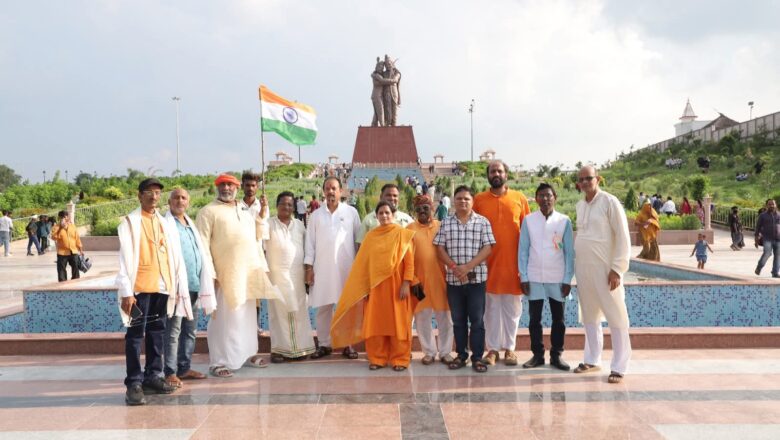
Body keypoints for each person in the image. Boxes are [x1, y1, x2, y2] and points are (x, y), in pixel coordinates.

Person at [196, 173, 282, 378]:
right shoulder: (207, 212)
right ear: (217, 187)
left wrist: (261, 215)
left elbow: (257, 235)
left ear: (237, 188)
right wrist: (211, 273)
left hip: (247, 273)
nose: (227, 188)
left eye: (230, 185)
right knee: (224, 320)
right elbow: (202, 245)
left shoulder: (244, 210)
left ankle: (248, 355)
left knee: (246, 318)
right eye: (223, 185)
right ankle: (218, 362)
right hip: (224, 275)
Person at [116, 178, 192, 406]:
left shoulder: (165, 223)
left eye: (157, 192)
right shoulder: (130, 223)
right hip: (138, 289)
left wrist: (176, 286)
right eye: (148, 192)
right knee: (135, 336)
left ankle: (153, 376)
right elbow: (123, 260)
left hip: (161, 287)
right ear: (139, 195)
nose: (153, 196)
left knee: (157, 333)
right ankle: (134, 383)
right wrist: (126, 291)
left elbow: (174, 257)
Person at [331, 201, 416, 371]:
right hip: (375, 289)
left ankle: (400, 359)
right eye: (381, 213)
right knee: (375, 324)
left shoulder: (403, 234)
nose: (384, 216)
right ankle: (377, 358)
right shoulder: (370, 237)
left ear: (393, 214)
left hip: (397, 286)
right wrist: (364, 288)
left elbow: (409, 262)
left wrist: (406, 283)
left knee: (398, 324)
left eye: (387, 213)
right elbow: (362, 264)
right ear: (376, 216)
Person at [572, 166, 632, 384]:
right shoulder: (580, 205)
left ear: (597, 179)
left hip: (607, 270)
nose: (586, 182)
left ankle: (619, 366)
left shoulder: (610, 202)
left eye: (589, 178)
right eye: (581, 179)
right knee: (589, 315)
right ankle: (592, 359)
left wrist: (617, 268)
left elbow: (623, 236)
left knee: (616, 317)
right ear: (578, 184)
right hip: (584, 270)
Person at [473, 160, 530, 366]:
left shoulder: (519, 198)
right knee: (491, 311)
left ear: (506, 174)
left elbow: (527, 231)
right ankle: (493, 350)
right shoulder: (479, 200)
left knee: (513, 311)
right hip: (487, 265)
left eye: (500, 170)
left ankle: (510, 349)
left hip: (513, 265)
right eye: (492, 171)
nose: (496, 173)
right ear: (488, 175)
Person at [433, 185, 495, 373]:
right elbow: (439, 248)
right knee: (458, 320)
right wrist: (454, 267)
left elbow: (488, 247)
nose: (462, 202)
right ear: (453, 201)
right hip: (454, 281)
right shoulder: (446, 222)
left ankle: (477, 357)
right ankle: (461, 355)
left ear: (472, 201)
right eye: (459, 198)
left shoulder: (483, 222)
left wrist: (467, 267)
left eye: (466, 199)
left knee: (477, 320)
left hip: (476, 280)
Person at [163, 188, 216, 388]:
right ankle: (170, 371)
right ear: (169, 202)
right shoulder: (166, 224)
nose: (179, 201)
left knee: (189, 330)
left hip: (193, 285)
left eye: (183, 198)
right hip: (177, 287)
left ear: (188, 202)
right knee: (173, 330)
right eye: (176, 197)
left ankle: (184, 367)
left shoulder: (190, 224)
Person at [518, 183, 574, 370]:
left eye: (548, 195)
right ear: (536, 198)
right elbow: (523, 250)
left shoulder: (564, 221)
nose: (545, 199)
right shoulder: (529, 220)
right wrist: (523, 276)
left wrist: (567, 279)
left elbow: (569, 253)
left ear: (555, 197)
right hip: (534, 276)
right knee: (535, 319)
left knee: (559, 319)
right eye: (541, 195)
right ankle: (538, 355)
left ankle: (556, 355)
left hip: (557, 277)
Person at [305, 177, 362, 360]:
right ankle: (324, 344)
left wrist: (359, 268)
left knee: (346, 308)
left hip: (347, 268)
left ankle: (348, 344)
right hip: (322, 268)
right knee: (323, 307)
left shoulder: (351, 212)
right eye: (328, 188)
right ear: (323, 191)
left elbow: (358, 241)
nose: (331, 192)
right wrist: (309, 268)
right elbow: (310, 244)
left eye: (334, 188)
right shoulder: (315, 216)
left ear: (341, 191)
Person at [265, 191, 316, 362]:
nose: (286, 207)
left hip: (296, 275)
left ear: (294, 207)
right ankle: (279, 350)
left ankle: (301, 349)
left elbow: (307, 248)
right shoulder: (268, 224)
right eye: (283, 203)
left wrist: (308, 270)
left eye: (289, 204)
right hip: (277, 275)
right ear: (277, 205)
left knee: (299, 310)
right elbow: (261, 248)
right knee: (278, 312)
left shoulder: (299, 226)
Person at [408, 195, 454, 366]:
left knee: (445, 318)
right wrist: (411, 280)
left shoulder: (442, 227)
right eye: (419, 208)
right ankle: (428, 352)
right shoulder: (409, 229)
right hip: (417, 283)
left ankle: (445, 352)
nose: (422, 211)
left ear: (432, 209)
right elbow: (405, 258)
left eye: (425, 208)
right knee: (422, 318)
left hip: (441, 281)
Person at [51, 211, 83, 281]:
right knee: (61, 270)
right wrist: (60, 228)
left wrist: (80, 249)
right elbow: (53, 237)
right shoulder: (56, 227)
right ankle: (63, 285)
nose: (66, 218)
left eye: (66, 216)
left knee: (76, 268)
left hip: (73, 251)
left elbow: (77, 238)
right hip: (62, 252)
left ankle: (75, 282)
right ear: (60, 218)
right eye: (63, 217)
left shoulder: (72, 226)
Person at [754, 199, 779, 278]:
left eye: (773, 204)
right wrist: (756, 239)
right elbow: (757, 228)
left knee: (778, 256)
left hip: (778, 239)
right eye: (769, 204)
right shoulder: (763, 215)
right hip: (767, 239)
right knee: (767, 253)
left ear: (775, 205)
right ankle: (759, 267)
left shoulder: (779, 215)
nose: (771, 206)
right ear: (766, 206)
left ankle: (775, 273)